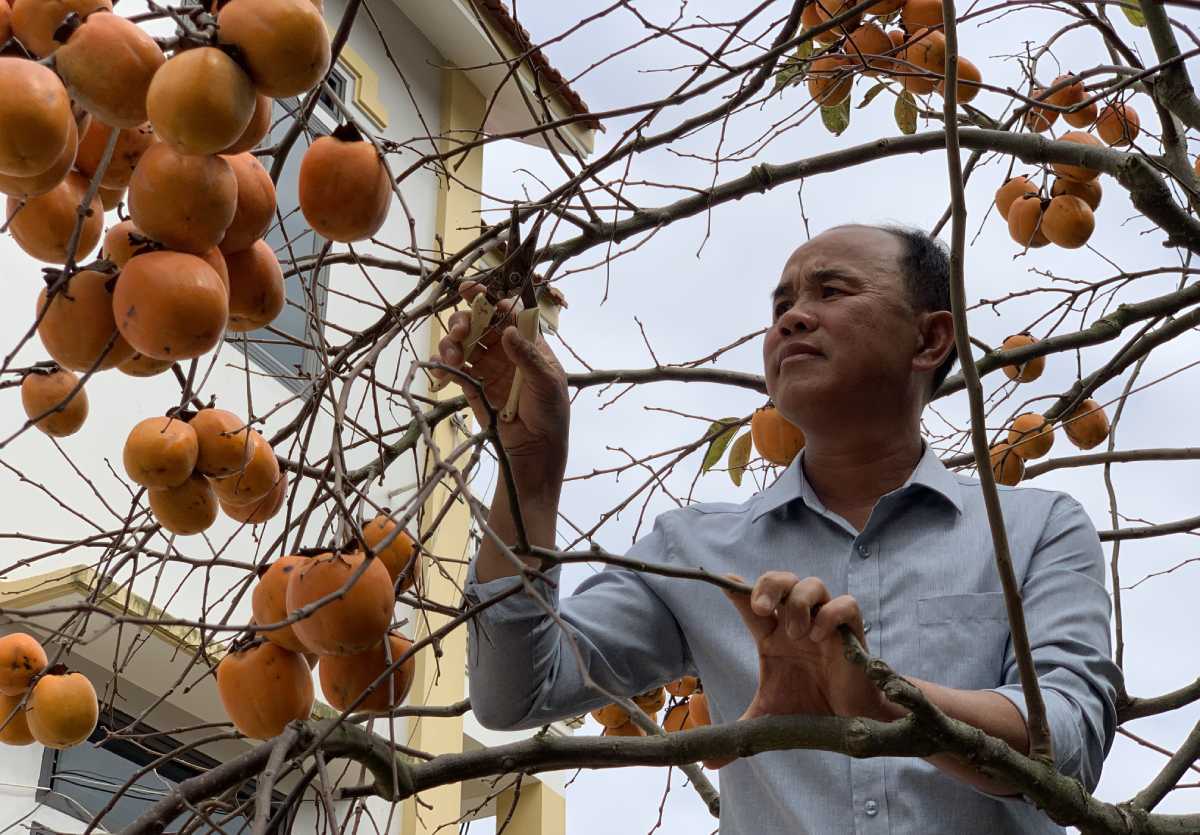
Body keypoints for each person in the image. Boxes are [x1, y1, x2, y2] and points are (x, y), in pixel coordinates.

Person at [433, 224, 1122, 834]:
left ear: (930, 337)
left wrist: (884, 702)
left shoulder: (1035, 530)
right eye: (782, 305)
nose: (794, 317)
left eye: (831, 291)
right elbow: (513, 693)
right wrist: (529, 473)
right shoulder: (697, 551)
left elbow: (1069, 744)